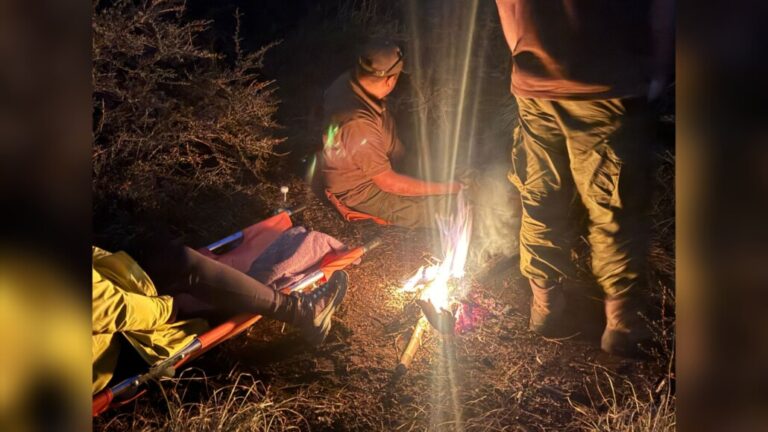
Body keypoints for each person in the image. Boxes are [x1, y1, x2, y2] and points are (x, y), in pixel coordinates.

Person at [494, 0, 674, 356]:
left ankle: (545, 308)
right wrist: (659, 67)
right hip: (606, 82)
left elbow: (508, 6)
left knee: (541, 196)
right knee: (613, 203)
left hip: (535, 83)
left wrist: (523, 54)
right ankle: (620, 327)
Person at [92, 240, 347, 393]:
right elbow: (110, 309)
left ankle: (250, 295)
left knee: (172, 258)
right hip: (111, 350)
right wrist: (167, 308)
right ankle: (300, 311)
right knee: (186, 273)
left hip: (109, 301)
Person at [320, 38, 462, 229]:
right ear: (389, 80)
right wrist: (448, 188)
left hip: (379, 158)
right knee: (450, 210)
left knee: (451, 172)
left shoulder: (347, 80)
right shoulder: (358, 124)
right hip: (363, 190)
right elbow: (389, 183)